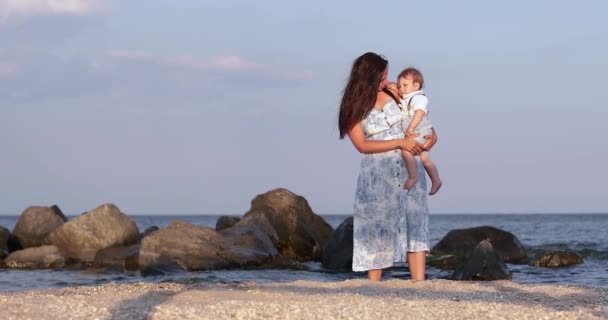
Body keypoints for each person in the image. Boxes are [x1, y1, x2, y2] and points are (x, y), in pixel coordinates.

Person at [338, 52, 437, 281]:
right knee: (376, 226)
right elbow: (362, 145)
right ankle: (374, 284)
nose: (387, 80)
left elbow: (420, 116)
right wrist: (400, 142)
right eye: (382, 76)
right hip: (376, 173)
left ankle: (419, 283)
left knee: (415, 221)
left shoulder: (395, 90)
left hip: (408, 166)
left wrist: (431, 137)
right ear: (369, 76)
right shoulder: (354, 105)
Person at [397, 68, 442, 195]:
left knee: (406, 151)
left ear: (416, 85)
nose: (401, 89)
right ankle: (436, 179)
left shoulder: (418, 97)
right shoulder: (407, 98)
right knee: (425, 159)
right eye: (399, 86)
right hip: (420, 130)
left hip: (418, 129)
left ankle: (413, 176)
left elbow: (420, 112)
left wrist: (410, 128)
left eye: (405, 85)